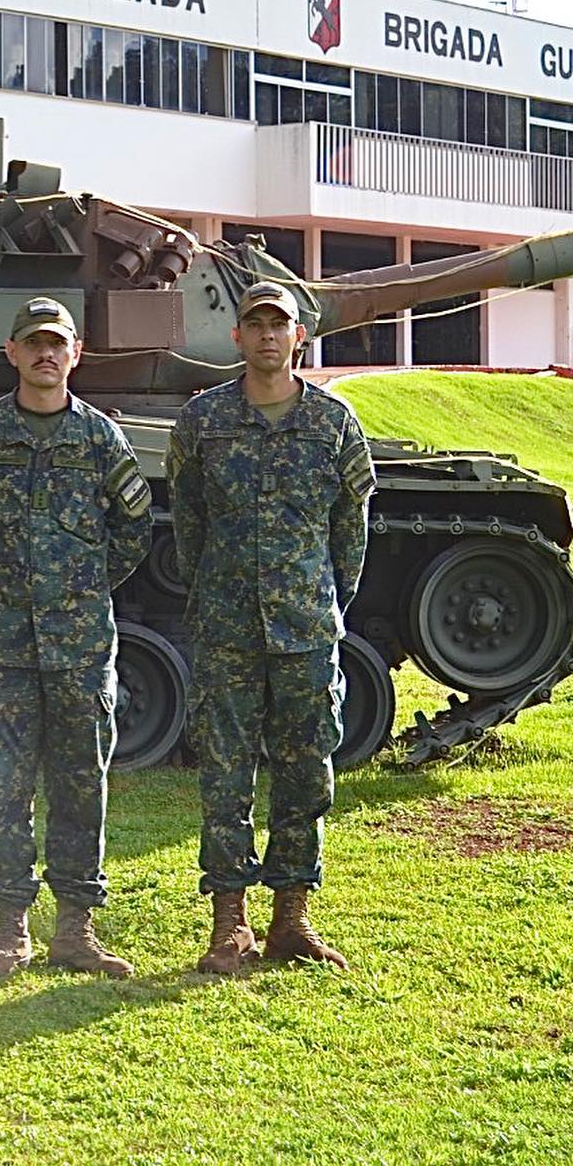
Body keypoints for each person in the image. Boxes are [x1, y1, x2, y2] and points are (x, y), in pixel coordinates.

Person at [0, 296, 152, 980]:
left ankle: (76, 929)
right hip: (0, 646)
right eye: (34, 343)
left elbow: (134, 526)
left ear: (75, 355)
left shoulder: (102, 438)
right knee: (2, 787)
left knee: (83, 784)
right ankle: (8, 930)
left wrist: (84, 586)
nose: (46, 354)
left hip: (80, 645)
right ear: (13, 354)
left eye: (58, 344)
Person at [168, 280, 374, 974]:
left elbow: (351, 529)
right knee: (225, 775)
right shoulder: (202, 421)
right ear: (237, 337)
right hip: (226, 625)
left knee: (305, 771)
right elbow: (187, 520)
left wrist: (323, 601)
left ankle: (293, 918)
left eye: (277, 325)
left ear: (298, 338)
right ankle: (230, 923)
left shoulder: (335, 424)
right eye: (253, 325)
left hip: (305, 629)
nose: (265, 336)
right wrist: (213, 592)